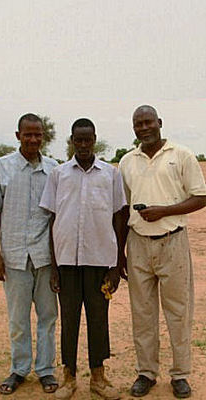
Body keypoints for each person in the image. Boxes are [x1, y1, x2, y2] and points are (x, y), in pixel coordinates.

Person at [118, 105, 206, 399]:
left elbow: (200, 197)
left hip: (173, 241)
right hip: (139, 242)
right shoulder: (127, 161)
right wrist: (121, 253)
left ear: (159, 123)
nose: (143, 128)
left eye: (147, 122)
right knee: (142, 314)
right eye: (137, 124)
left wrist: (164, 212)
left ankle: (180, 374)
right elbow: (123, 207)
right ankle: (146, 373)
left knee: (178, 312)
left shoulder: (181, 155)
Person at [40, 118, 125, 400]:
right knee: (70, 319)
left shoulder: (110, 175)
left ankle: (98, 377)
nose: (84, 145)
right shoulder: (59, 174)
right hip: (66, 262)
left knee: (98, 319)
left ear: (95, 139)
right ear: (72, 140)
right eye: (79, 140)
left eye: (89, 140)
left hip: (100, 260)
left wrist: (116, 265)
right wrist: (54, 267)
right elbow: (53, 219)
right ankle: (68, 376)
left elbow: (118, 217)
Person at [0, 114, 59, 395]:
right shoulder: (0, 167)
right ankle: (19, 369)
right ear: (17, 136)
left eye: (38, 135)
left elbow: (56, 216)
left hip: (44, 256)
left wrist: (57, 262)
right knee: (17, 319)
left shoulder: (54, 169)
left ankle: (45, 370)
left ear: (43, 136)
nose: (33, 140)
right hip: (14, 255)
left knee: (48, 316)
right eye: (27, 135)